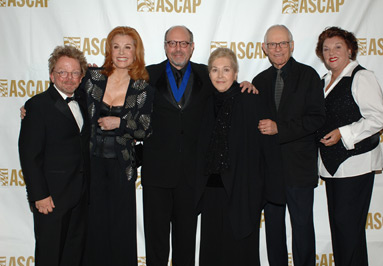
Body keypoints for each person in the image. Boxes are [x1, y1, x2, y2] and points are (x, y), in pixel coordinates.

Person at [142, 25, 256, 266]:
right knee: (156, 244)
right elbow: (118, 84)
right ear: (165, 47)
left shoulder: (207, 74)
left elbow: (228, 86)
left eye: (183, 43)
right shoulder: (147, 75)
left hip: (192, 177)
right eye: (172, 43)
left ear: (192, 47)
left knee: (186, 243)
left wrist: (247, 84)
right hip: (156, 175)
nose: (178, 48)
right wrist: (91, 75)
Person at [252, 25, 325, 266]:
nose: (277, 49)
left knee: (302, 227)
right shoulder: (259, 80)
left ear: (292, 46)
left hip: (299, 168)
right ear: (264, 48)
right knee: (273, 229)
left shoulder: (309, 76)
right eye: (272, 44)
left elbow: (316, 118)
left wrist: (279, 127)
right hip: (269, 170)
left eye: (282, 43)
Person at [81, 26, 154, 266]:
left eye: (127, 47)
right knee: (94, 223)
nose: (121, 52)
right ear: (109, 50)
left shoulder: (142, 88)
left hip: (122, 165)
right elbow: (66, 98)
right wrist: (31, 108)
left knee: (121, 226)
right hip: (92, 162)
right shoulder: (93, 79)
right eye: (116, 47)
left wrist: (120, 123)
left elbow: (145, 128)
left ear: (136, 52)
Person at [315, 26, 383, 266]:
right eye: (326, 48)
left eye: (337, 47)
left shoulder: (361, 77)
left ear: (350, 49)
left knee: (348, 232)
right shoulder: (324, 81)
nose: (331, 52)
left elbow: (377, 118)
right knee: (341, 232)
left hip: (356, 165)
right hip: (332, 167)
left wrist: (343, 133)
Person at [194, 47, 267, 266]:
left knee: (240, 252)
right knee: (213, 250)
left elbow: (262, 150)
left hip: (241, 190)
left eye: (226, 70)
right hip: (210, 191)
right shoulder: (203, 102)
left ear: (236, 74)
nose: (220, 75)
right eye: (215, 70)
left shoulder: (250, 100)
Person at [18, 45, 90, 266]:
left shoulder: (85, 103)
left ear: (81, 76)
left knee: (73, 255)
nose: (68, 78)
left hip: (81, 197)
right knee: (49, 256)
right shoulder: (37, 106)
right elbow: (29, 155)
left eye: (74, 72)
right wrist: (39, 195)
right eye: (62, 72)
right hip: (51, 199)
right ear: (51, 75)